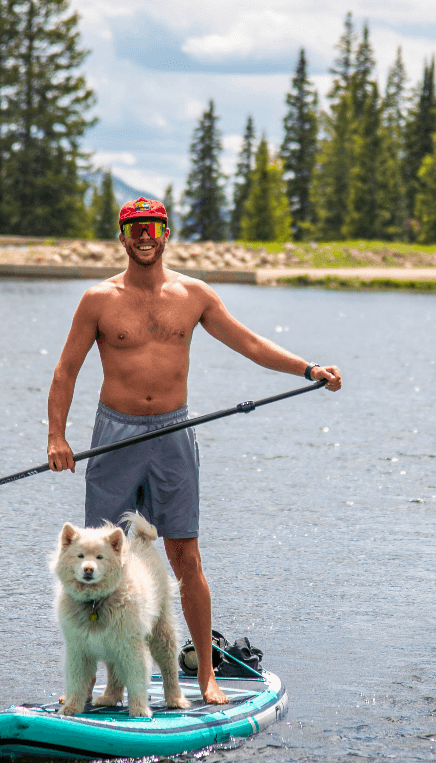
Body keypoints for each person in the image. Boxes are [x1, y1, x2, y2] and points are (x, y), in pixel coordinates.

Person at [46, 196, 342, 704]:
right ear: (122, 237)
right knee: (104, 559)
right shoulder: (98, 299)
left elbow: (250, 344)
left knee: (186, 556)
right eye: (134, 229)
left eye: (153, 229)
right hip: (114, 438)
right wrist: (57, 435)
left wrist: (308, 369)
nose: (144, 237)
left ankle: (204, 673)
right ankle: (105, 683)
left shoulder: (194, 294)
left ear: (166, 235)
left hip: (173, 436)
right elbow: (66, 370)